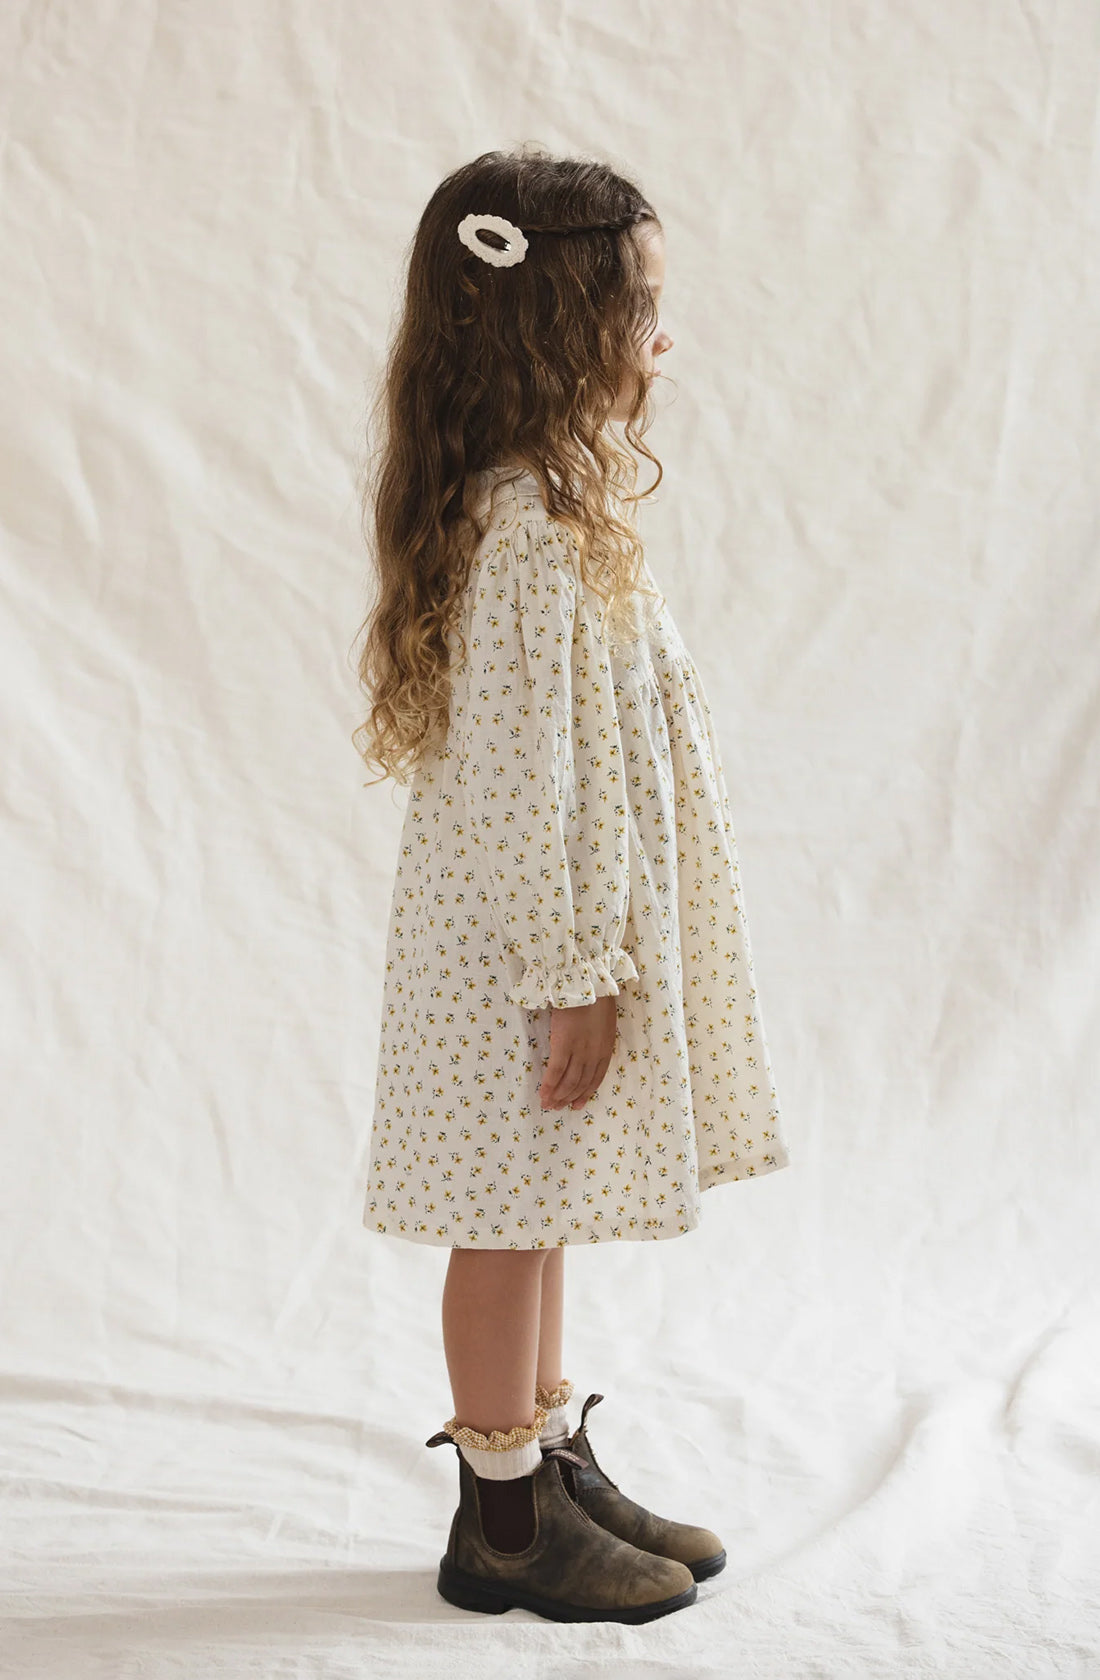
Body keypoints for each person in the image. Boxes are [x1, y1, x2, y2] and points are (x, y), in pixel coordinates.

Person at [352, 145, 791, 1624]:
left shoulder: (549, 501)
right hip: (523, 951)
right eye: (638, 307)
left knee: (535, 1205)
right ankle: (501, 1530)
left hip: (543, 940)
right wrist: (569, 968)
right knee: (504, 1213)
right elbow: (524, 784)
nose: (662, 340)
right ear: (553, 329)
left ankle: (542, 1455)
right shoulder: (530, 534)